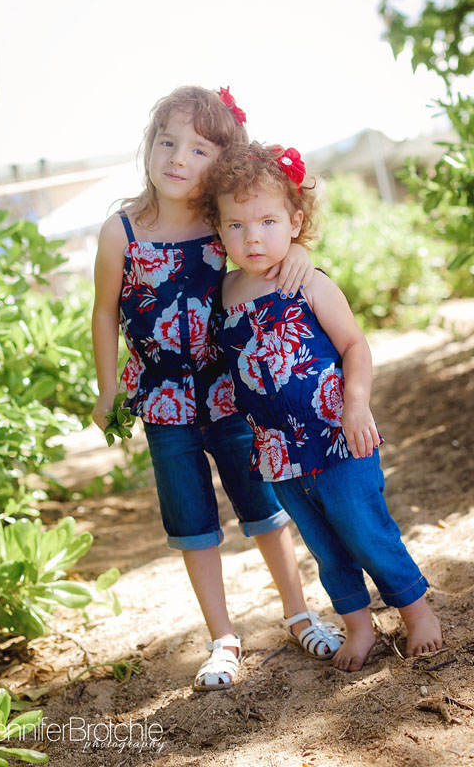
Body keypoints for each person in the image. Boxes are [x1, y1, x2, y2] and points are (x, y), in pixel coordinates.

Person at [91, 87, 346, 691]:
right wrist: (108, 391)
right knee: (193, 522)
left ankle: (298, 612)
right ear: (148, 147)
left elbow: (271, 240)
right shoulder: (121, 231)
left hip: (232, 394)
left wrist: (303, 258)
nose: (179, 158)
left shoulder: (220, 223)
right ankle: (223, 638)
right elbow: (104, 313)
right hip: (162, 403)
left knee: (263, 506)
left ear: (222, 160)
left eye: (199, 149)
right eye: (167, 142)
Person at [203, 141, 443, 672]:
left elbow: (355, 345)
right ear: (218, 232)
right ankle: (358, 624)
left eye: (267, 221)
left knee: (365, 529)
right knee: (326, 548)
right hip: (279, 455)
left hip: (338, 436)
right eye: (236, 226)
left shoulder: (306, 281)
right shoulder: (223, 296)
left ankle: (415, 610)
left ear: (294, 221)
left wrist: (357, 406)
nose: (253, 236)